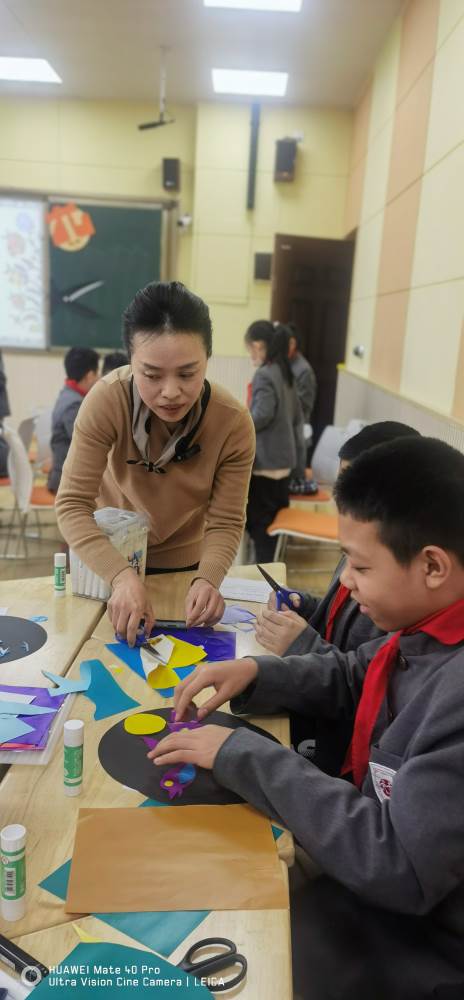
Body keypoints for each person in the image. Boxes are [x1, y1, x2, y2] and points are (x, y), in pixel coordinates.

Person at [150, 436, 464, 1000]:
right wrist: (256, 673)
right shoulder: (428, 629)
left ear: (433, 566)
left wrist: (242, 754)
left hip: (423, 940)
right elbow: (355, 672)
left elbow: (397, 863)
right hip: (382, 881)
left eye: (360, 566)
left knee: (232, 932)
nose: (344, 581)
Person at [55, 281, 255, 644]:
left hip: (184, 569)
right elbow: (71, 504)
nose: (170, 392)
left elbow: (226, 520)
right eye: (151, 375)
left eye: (187, 373)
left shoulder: (232, 422)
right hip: (107, 561)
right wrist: (120, 575)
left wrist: (208, 579)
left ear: (208, 358)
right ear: (130, 360)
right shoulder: (107, 401)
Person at [255, 420, 421, 773]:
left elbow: (361, 682)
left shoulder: (401, 596)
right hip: (319, 716)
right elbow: (338, 615)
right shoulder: (360, 550)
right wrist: (307, 604)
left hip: (341, 746)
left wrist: (301, 643)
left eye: (351, 487)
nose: (338, 498)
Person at [244, 320, 305, 562]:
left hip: (266, 462)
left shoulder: (265, 374)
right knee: (273, 525)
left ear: (259, 346)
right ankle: (269, 567)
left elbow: (262, 415)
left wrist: (238, 422)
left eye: (250, 348)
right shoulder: (284, 371)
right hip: (283, 462)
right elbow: (297, 418)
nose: (250, 354)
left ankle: (261, 573)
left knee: (260, 526)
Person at [47, 346, 100, 493]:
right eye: (97, 374)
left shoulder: (67, 394)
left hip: (66, 474)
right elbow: (89, 445)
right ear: (90, 375)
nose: (99, 379)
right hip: (66, 481)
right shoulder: (74, 405)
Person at [286, 322, 317, 493]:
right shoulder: (285, 364)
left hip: (297, 432)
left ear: (295, 343)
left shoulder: (303, 370)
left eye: (290, 342)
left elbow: (304, 405)